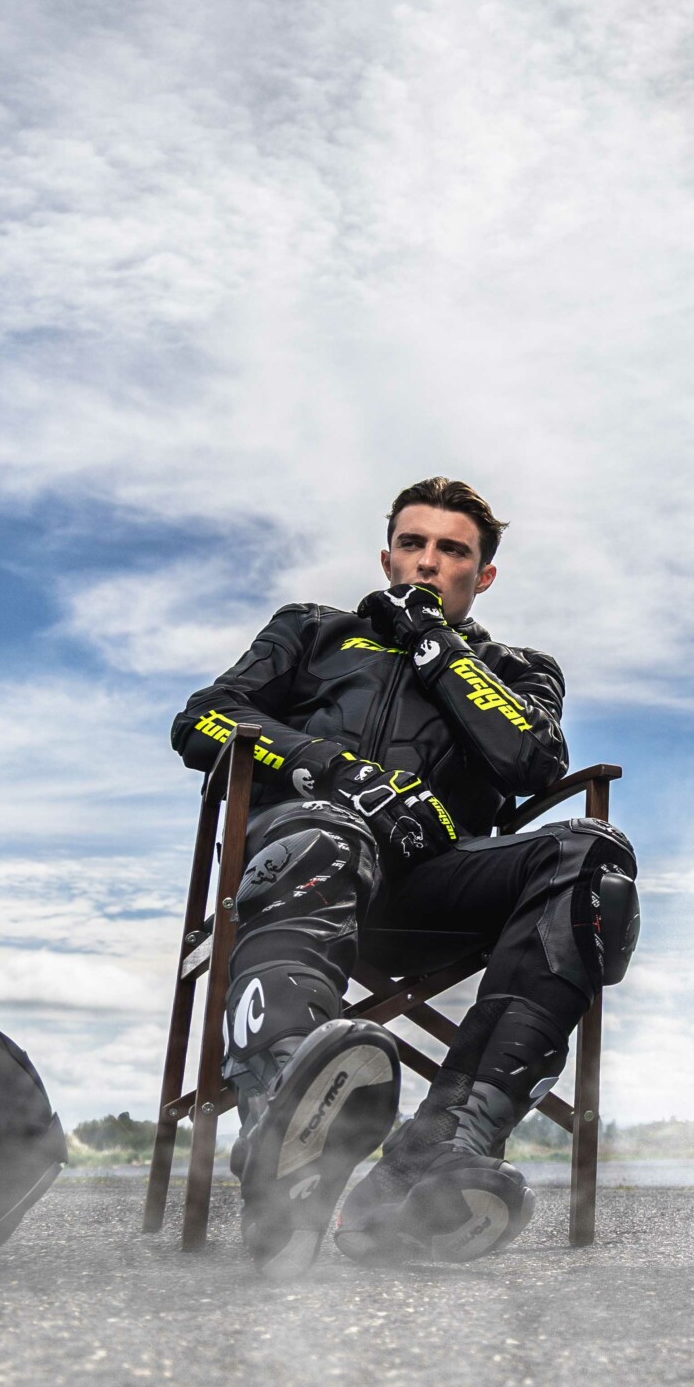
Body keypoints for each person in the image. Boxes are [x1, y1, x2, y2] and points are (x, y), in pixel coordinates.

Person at [171, 477, 637, 1278]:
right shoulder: (311, 630)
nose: (427, 562)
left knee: (592, 857)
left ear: (483, 575)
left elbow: (532, 759)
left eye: (452, 551)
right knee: (327, 831)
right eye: (413, 544)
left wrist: (434, 643)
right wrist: (339, 772)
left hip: (433, 891)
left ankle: (440, 1152)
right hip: (303, 865)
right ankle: (285, 1116)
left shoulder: (519, 668)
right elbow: (204, 717)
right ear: (386, 555)